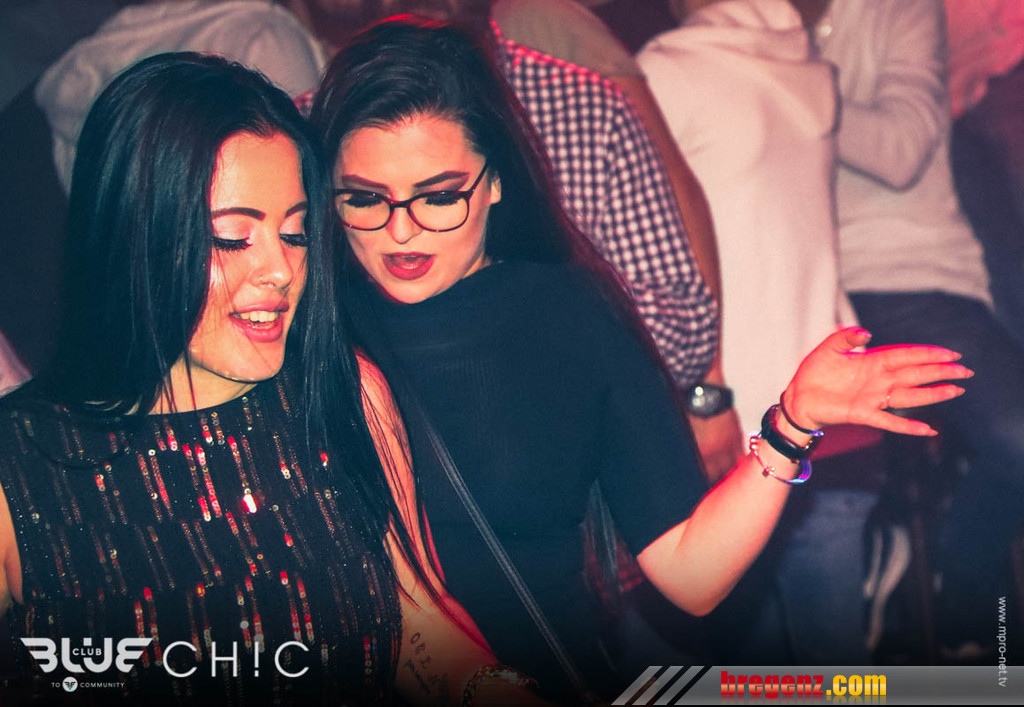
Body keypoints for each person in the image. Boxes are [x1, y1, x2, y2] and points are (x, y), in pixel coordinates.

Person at [311, 16, 972, 700]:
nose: (401, 229)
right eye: (365, 199)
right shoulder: (311, 330)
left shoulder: (569, 314)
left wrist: (790, 425)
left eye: (439, 196)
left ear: (495, 180)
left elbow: (691, 572)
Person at [0, 52, 542, 705]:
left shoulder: (346, 390)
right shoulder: (21, 463)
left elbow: (420, 627)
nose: (281, 269)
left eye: (294, 233)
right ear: (135, 237)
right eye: (234, 238)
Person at [638, 0, 875, 664]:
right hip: (828, 394)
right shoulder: (811, 65)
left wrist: (698, 396)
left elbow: (648, 256)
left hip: (731, 424)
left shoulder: (665, 72)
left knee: (753, 672)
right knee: (838, 672)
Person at [807, 0, 1024, 659]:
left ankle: (960, 595)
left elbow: (901, 152)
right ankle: (887, 532)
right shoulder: (753, 22)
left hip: (913, 283)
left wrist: (790, 80)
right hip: (808, 286)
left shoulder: (899, 7)